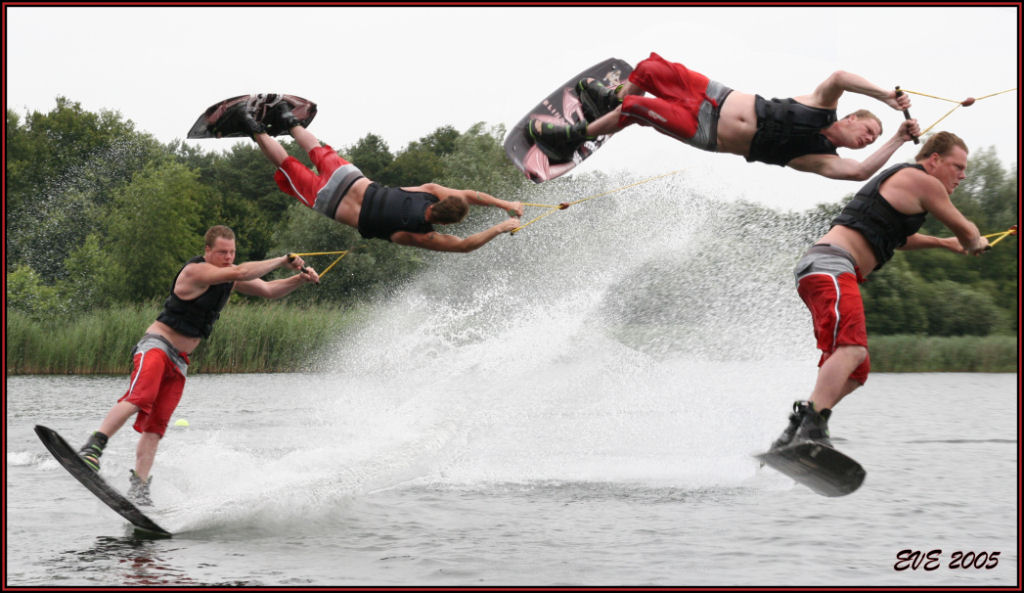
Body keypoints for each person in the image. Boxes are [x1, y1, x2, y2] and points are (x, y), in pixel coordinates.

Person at [770, 131, 989, 451]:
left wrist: (943, 244)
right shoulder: (923, 181)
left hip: (824, 271)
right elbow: (967, 231)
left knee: (857, 370)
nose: (963, 175)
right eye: (957, 166)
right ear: (935, 160)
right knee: (852, 349)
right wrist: (974, 242)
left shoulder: (904, 187)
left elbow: (898, 239)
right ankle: (812, 428)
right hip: (831, 268)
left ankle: (795, 430)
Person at [77, 225, 319, 505]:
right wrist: (281, 260)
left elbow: (267, 290)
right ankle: (93, 447)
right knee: (139, 398)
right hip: (157, 345)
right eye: (221, 252)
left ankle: (139, 486)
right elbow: (240, 272)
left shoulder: (227, 278)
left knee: (157, 426)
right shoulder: (196, 271)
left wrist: (299, 279)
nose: (228, 257)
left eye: (232, 252)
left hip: (180, 361)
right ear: (207, 251)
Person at [528, 52, 921, 181]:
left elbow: (859, 173)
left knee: (636, 110)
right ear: (851, 118)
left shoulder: (821, 156)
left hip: (703, 129)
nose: (867, 139)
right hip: (713, 95)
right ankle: (611, 98)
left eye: (870, 139)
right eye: (868, 131)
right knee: (648, 68)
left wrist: (897, 139)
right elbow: (840, 77)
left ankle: (574, 136)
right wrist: (886, 96)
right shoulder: (823, 102)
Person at [223, 97, 524, 252]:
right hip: (332, 203)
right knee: (288, 165)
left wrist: (505, 204)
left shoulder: (429, 190)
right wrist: (499, 228)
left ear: (443, 200)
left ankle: (287, 117)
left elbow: (469, 195)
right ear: (445, 221)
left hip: (351, 179)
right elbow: (464, 245)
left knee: (317, 150)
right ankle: (251, 125)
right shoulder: (419, 235)